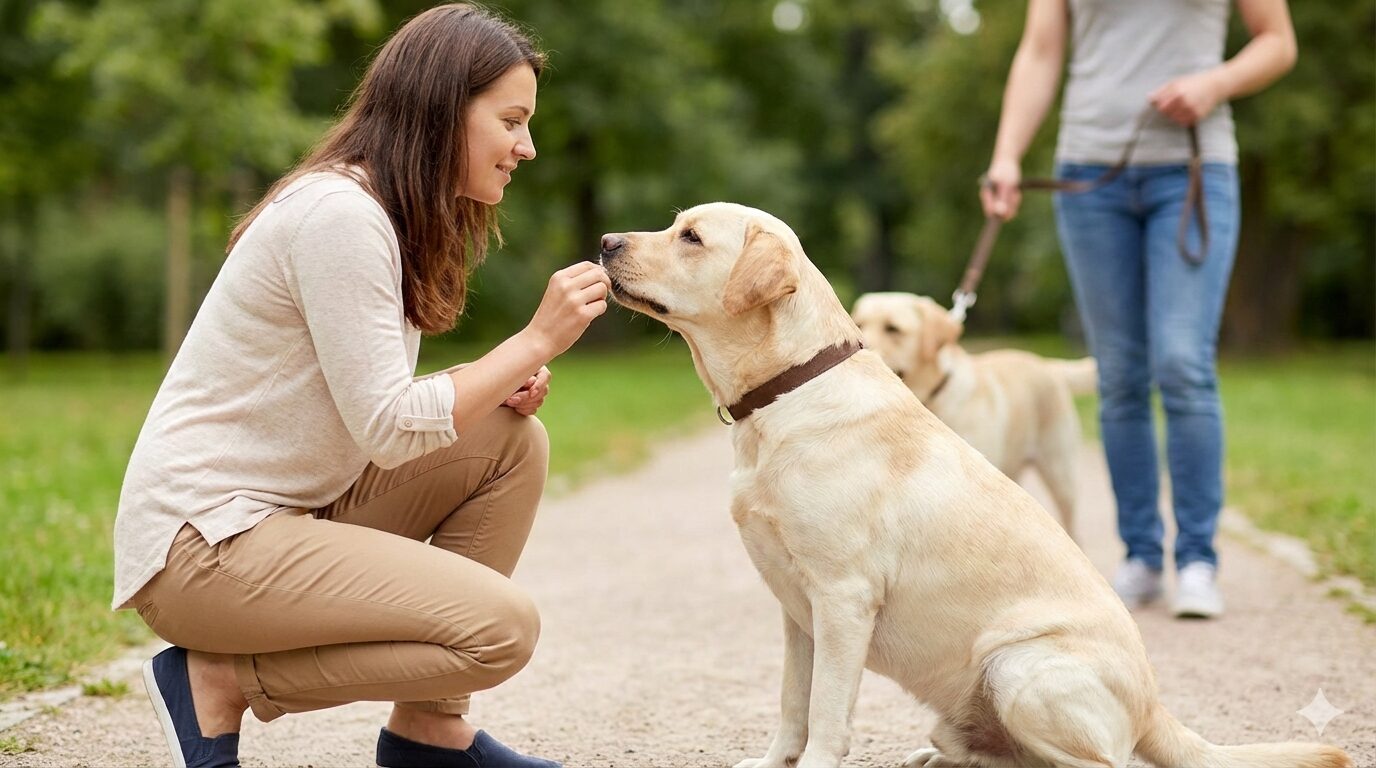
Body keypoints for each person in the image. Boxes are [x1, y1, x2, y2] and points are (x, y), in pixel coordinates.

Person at [113, 5, 611, 767]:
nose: (528, 146)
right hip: (202, 548)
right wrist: (533, 342)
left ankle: (430, 737)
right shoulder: (341, 215)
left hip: (280, 514)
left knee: (511, 442)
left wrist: (493, 382)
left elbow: (366, 401)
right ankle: (217, 679)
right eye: (512, 120)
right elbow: (386, 425)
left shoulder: (381, 212)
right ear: (446, 109)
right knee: (501, 629)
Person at [981, 0, 1296, 618]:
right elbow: (1041, 50)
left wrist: (1215, 83)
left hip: (1192, 167)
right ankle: (1142, 557)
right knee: (1120, 373)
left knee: (1182, 363)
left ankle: (1199, 559)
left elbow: (1277, 41)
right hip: (1088, 173)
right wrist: (1007, 154)